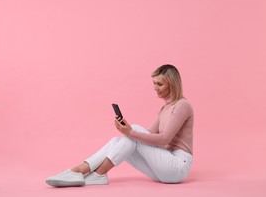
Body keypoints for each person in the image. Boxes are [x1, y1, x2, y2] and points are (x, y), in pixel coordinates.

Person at [46, 64, 194, 187]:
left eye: (160, 84)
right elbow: (148, 135)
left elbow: (163, 140)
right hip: (163, 168)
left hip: (177, 166)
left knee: (133, 132)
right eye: (154, 83)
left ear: (172, 84)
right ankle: (89, 172)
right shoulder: (164, 108)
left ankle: (85, 171)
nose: (155, 87)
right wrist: (126, 130)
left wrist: (131, 131)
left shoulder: (182, 106)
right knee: (121, 140)